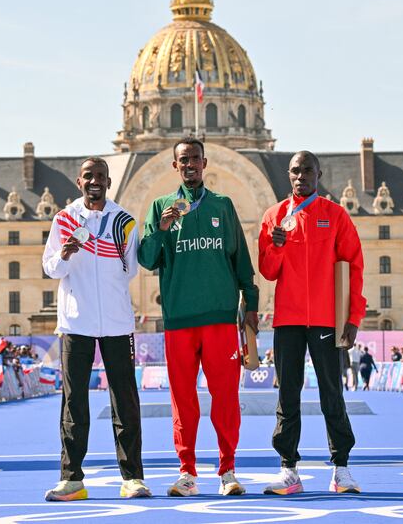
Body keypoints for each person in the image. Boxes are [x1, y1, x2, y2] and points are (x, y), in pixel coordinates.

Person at [138, 137, 259, 497]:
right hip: (178, 321)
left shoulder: (222, 205)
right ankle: (187, 471)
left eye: (195, 159)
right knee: (183, 400)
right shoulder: (161, 207)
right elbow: (146, 259)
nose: (189, 164)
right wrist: (160, 229)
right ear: (174, 166)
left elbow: (241, 261)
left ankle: (228, 470)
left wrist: (250, 305)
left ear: (204, 163)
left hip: (221, 319)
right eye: (182, 160)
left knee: (225, 397)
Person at [258, 150, 365, 495]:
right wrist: (274, 247)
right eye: (294, 171)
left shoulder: (335, 215)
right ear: (288, 175)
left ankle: (341, 468)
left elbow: (354, 268)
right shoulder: (274, 216)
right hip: (287, 319)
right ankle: (289, 468)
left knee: (332, 393)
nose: (300, 176)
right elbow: (268, 272)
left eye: (307, 170)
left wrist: (353, 317)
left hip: (326, 320)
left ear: (318, 174)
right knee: (287, 394)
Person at [43, 157, 149, 501]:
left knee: (125, 400)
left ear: (108, 181)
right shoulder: (64, 219)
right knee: (74, 402)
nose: (94, 181)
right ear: (79, 182)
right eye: (88, 176)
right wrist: (65, 254)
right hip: (76, 323)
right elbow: (50, 269)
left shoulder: (125, 221)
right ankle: (71, 478)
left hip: (117, 323)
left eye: (100, 176)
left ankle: (132, 477)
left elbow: (129, 270)